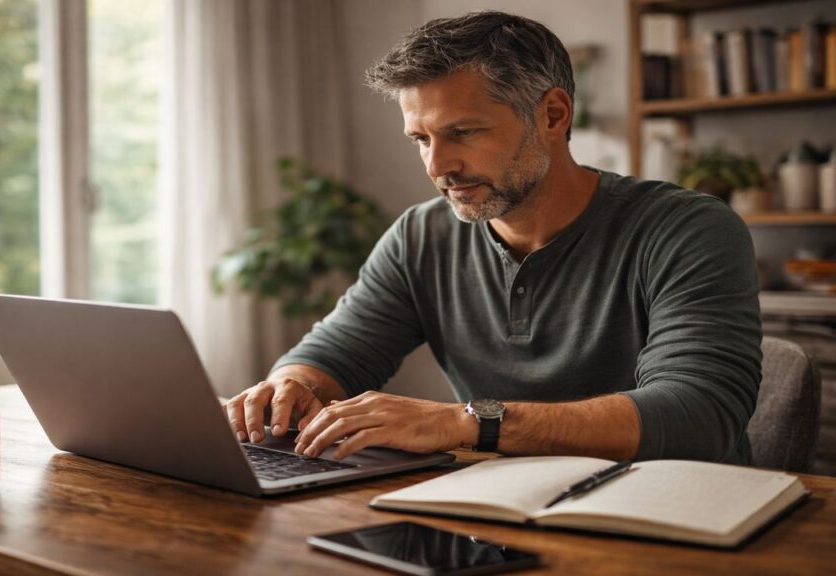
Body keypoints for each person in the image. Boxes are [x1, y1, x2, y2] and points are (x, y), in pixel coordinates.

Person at [225, 11, 761, 465]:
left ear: (552, 114)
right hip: (501, 513)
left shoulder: (686, 229)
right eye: (421, 139)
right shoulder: (421, 236)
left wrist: (465, 422)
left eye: (463, 132)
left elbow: (699, 415)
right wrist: (292, 385)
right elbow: (335, 353)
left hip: (673, 517)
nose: (439, 166)